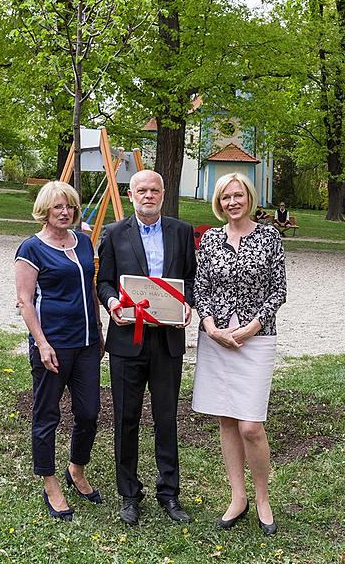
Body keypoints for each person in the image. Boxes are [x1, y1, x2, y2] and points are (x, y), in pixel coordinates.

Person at [97, 170, 196, 525]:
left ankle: (169, 494)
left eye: (155, 190)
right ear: (130, 193)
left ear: (164, 193)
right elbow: (104, 282)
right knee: (125, 419)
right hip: (127, 339)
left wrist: (189, 304)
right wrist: (111, 304)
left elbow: (192, 280)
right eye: (142, 190)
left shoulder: (182, 232)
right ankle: (129, 495)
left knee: (166, 419)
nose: (149, 195)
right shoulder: (113, 233)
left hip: (168, 340)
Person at [192, 172, 286, 537]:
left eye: (238, 195)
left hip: (255, 338)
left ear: (249, 197)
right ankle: (238, 497)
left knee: (250, 424)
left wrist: (251, 327)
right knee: (227, 420)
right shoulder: (212, 239)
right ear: (219, 202)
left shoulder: (269, 237)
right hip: (216, 339)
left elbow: (278, 290)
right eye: (226, 197)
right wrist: (211, 325)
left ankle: (263, 497)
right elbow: (201, 287)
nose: (232, 202)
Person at [15, 181, 104, 522]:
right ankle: (50, 481)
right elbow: (25, 302)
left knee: (89, 413)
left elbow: (90, 288)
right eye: (57, 208)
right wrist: (42, 342)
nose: (64, 212)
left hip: (86, 345)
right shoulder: (31, 249)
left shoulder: (83, 240)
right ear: (44, 211)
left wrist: (98, 330)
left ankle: (76, 468)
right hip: (52, 345)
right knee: (47, 415)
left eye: (69, 206)